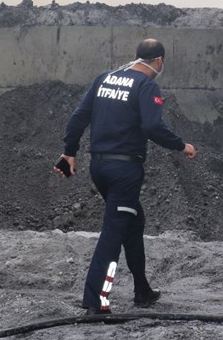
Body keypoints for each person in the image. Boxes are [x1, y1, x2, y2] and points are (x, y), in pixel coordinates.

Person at [54, 38, 197, 315]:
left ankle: (142, 290)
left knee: (133, 221)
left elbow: (78, 117)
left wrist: (69, 153)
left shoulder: (104, 78)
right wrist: (182, 146)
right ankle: (96, 301)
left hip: (99, 167)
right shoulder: (147, 85)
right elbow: (153, 126)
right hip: (125, 171)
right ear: (159, 62)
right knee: (113, 233)